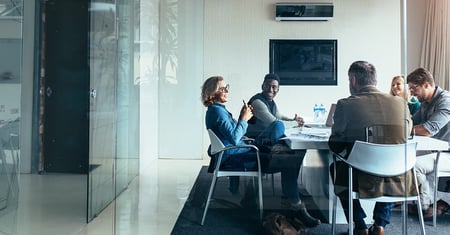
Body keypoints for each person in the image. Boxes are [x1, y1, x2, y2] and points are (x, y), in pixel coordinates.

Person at [201, 76, 320, 227]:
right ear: (213, 92)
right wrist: (243, 119)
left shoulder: (217, 110)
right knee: (290, 159)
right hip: (238, 157)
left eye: (227, 87)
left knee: (285, 142)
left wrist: (242, 118)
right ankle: (296, 207)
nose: (227, 91)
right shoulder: (217, 112)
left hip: (243, 149)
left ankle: (292, 197)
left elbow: (235, 135)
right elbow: (233, 138)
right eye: (223, 88)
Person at [329, 61, 414, 235]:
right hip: (400, 175)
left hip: (361, 176)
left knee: (336, 168)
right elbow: (406, 135)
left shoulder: (346, 104)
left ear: (353, 80)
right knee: (390, 167)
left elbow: (335, 142)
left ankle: (359, 225)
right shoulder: (401, 103)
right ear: (374, 80)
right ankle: (380, 225)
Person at [406, 68, 450, 220]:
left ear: (425, 85)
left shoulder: (445, 100)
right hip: (435, 150)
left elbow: (427, 130)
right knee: (401, 157)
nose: (411, 93)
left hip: (447, 153)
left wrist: (402, 129)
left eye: (413, 89)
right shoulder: (425, 102)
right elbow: (413, 122)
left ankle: (429, 204)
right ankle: (430, 201)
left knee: (413, 164)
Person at [246, 73, 304, 147]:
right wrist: (295, 123)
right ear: (262, 86)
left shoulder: (270, 101)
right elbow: (275, 123)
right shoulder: (257, 102)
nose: (270, 90)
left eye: (274, 87)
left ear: (278, 89)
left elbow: (279, 116)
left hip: (265, 138)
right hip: (254, 141)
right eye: (268, 86)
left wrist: (293, 120)